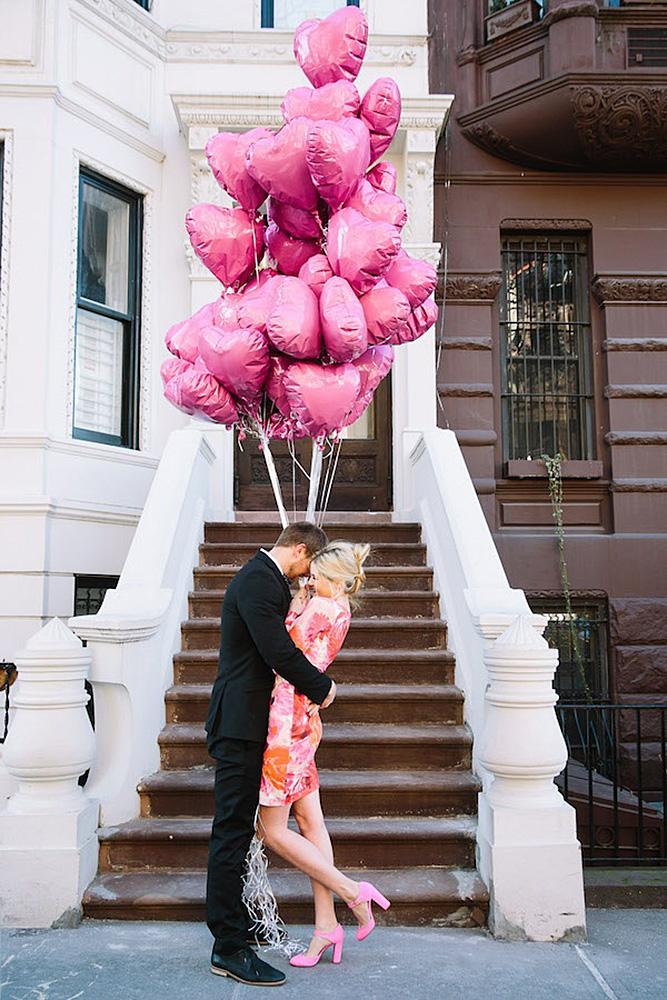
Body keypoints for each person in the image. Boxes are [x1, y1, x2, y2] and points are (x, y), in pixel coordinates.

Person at [205, 522, 337, 988]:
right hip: (240, 724)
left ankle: (238, 929)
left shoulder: (264, 579)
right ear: (300, 550)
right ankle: (228, 948)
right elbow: (277, 651)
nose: (306, 578)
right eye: (307, 567)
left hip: (251, 723)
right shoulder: (259, 581)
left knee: (242, 833)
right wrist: (323, 687)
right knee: (232, 833)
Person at [257, 541, 391, 968]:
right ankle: (326, 927)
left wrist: (296, 603)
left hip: (285, 721)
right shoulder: (341, 610)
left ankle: (353, 892)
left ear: (333, 578)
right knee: (311, 824)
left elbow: (279, 652)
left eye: (315, 574)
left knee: (270, 828)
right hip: (301, 718)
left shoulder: (321, 608)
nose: (308, 580)